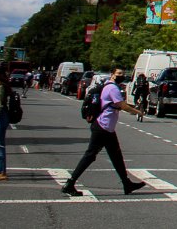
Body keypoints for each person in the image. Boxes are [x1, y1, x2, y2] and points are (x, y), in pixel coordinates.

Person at [62, 68, 149, 196]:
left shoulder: (108, 86)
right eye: (118, 74)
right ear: (112, 75)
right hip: (103, 127)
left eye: (122, 74)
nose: (121, 76)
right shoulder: (113, 88)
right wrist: (138, 112)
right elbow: (122, 105)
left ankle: (126, 183)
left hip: (106, 128)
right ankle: (70, 183)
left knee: (116, 157)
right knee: (90, 155)